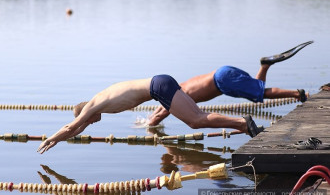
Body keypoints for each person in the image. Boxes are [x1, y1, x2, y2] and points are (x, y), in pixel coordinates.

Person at [37, 75, 261, 154]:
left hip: (158, 87)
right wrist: (58, 142)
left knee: (195, 120)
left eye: (87, 121)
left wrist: (50, 138)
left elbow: (71, 126)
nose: (89, 124)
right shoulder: (96, 105)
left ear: (84, 113)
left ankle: (243, 122)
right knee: (196, 118)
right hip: (159, 84)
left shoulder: (91, 107)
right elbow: (77, 130)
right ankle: (243, 126)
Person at [148, 41, 312, 126]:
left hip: (222, 81)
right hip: (222, 72)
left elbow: (158, 116)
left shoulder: (171, 99)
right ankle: (265, 64)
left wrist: (148, 127)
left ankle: (298, 94)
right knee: (256, 90)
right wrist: (150, 118)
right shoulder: (175, 89)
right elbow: (159, 111)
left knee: (261, 93)